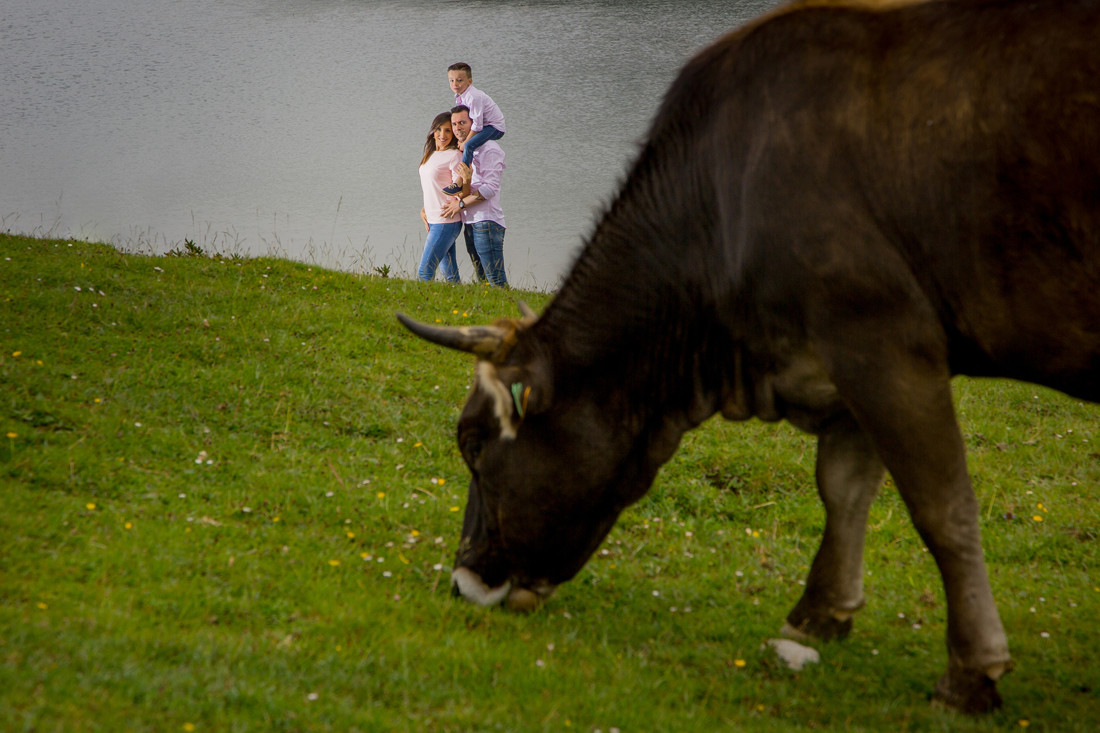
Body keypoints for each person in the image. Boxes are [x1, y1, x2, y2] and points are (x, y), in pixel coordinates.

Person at [441, 105, 508, 287]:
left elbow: (490, 189)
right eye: (454, 124)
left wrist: (460, 206)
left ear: (474, 124)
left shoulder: (489, 148)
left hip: (486, 222)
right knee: (483, 281)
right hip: (470, 223)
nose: (457, 128)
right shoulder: (466, 152)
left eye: (462, 122)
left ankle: (510, 313)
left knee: (496, 282)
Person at [442, 62, 506, 195]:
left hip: (494, 127)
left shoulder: (473, 97)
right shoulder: (460, 97)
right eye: (451, 80)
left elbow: (477, 124)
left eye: (460, 80)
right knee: (465, 143)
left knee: (469, 144)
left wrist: (466, 142)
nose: (455, 84)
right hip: (484, 125)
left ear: (469, 81)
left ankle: (459, 181)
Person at [416, 112, 463, 283]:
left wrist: (458, 203)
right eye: (438, 129)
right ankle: (460, 301)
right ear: (432, 131)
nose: (442, 135)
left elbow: (461, 187)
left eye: (448, 131)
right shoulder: (430, 154)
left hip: (446, 222)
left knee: (424, 272)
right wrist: (424, 209)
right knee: (450, 274)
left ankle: (420, 307)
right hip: (433, 220)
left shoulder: (454, 155)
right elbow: (431, 187)